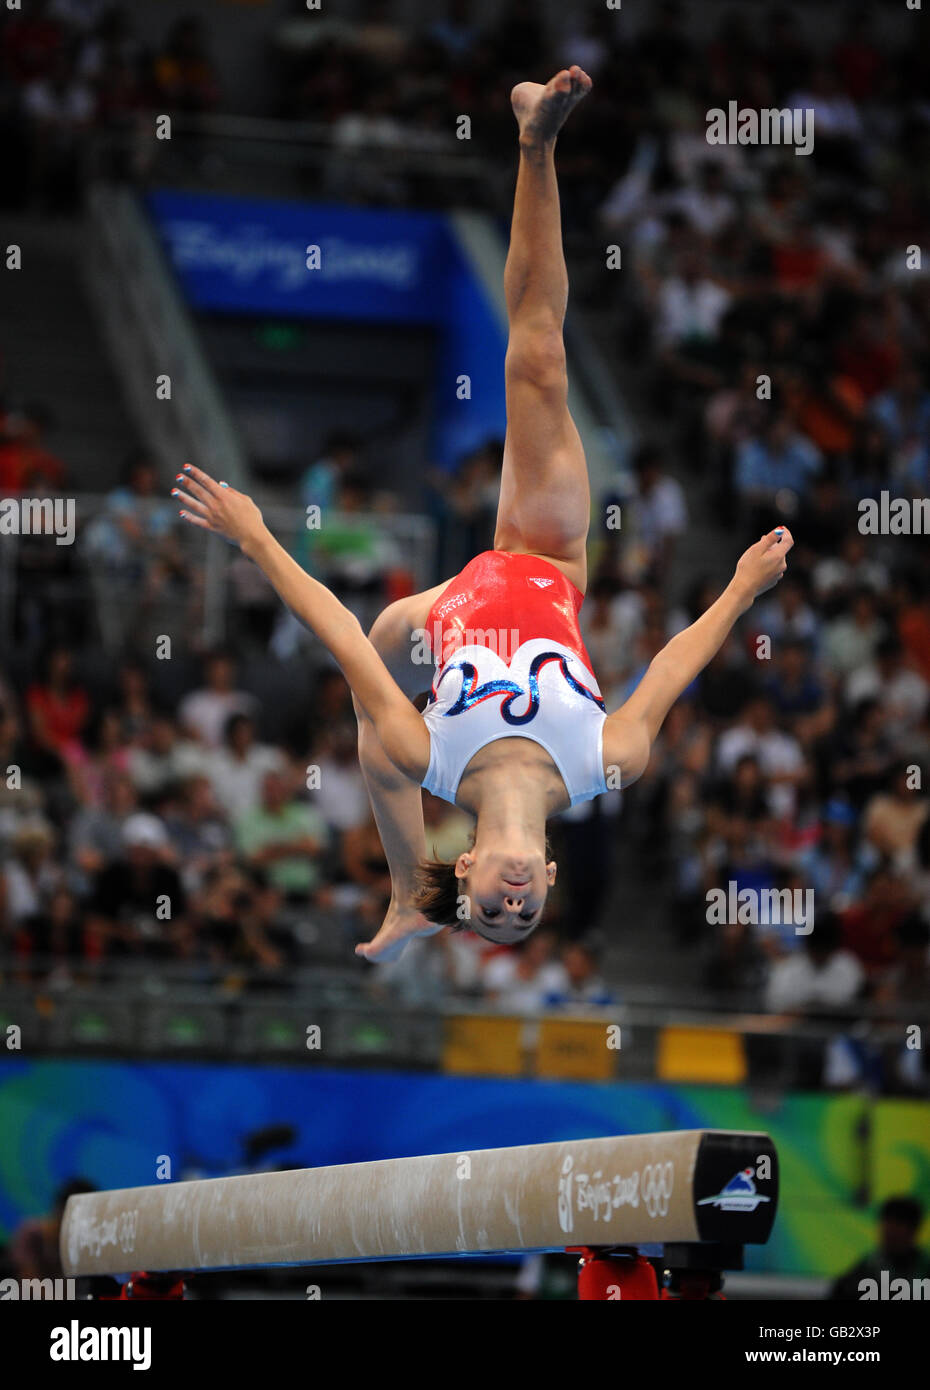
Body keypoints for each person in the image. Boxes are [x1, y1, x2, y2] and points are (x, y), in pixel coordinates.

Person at [172, 68, 794, 963]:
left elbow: (339, 633)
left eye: (489, 914)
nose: (509, 907)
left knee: (372, 689)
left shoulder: (427, 751)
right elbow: (670, 665)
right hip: (543, 557)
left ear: (463, 872)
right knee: (537, 356)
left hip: (429, 618)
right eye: (525, 914)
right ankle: (537, 139)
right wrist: (739, 588)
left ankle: (402, 891)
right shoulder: (606, 759)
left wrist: (257, 532)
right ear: (546, 877)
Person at [829, 1197, 930, 1300]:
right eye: (887, 1224)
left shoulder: (924, 1269)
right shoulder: (867, 1267)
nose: (890, 1231)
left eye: (897, 1225)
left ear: (913, 1230)